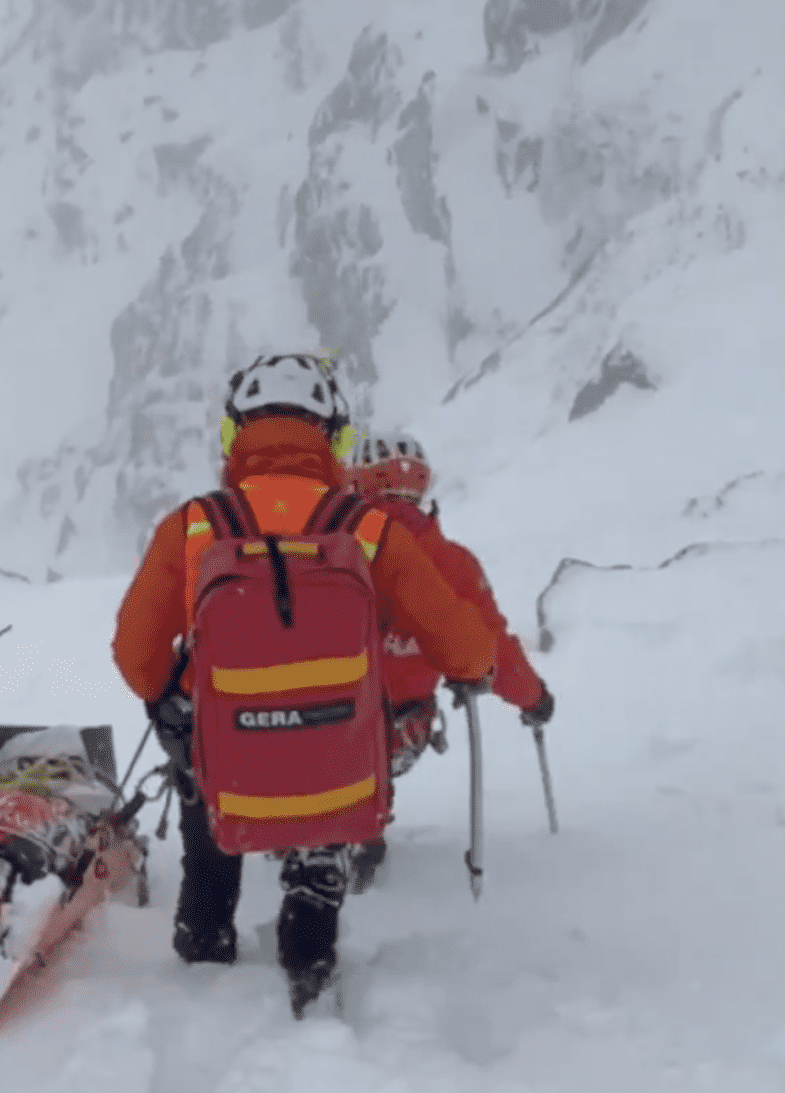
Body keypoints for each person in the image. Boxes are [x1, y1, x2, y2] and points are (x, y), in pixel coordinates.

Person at [110, 354, 497, 1016]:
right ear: (335, 435)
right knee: (325, 799)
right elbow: (463, 647)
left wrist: (170, 697)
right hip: (335, 765)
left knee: (205, 794)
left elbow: (135, 654)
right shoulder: (370, 528)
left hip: (225, 763)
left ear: (234, 435)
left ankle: (205, 940)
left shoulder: (194, 526)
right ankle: (309, 943)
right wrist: (477, 668)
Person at [346, 434, 555, 891]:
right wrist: (534, 699)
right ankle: (364, 826)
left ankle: (338, 830)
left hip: (321, 724)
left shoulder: (328, 551)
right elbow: (493, 648)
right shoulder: (454, 564)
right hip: (405, 728)